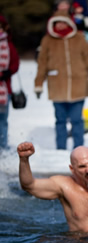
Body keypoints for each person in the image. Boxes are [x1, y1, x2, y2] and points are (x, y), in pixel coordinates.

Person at [35, 9, 88, 150]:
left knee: (77, 120)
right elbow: (42, 63)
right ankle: (61, 149)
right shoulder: (48, 40)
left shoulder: (79, 38)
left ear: (69, 23)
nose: (60, 26)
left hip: (78, 83)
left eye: (63, 23)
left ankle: (79, 148)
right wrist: (38, 83)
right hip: (57, 84)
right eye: (57, 23)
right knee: (60, 120)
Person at [0, 14, 20, 151]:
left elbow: (15, 63)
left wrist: (7, 72)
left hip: (4, 88)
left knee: (2, 120)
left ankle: (2, 146)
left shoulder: (9, 45)